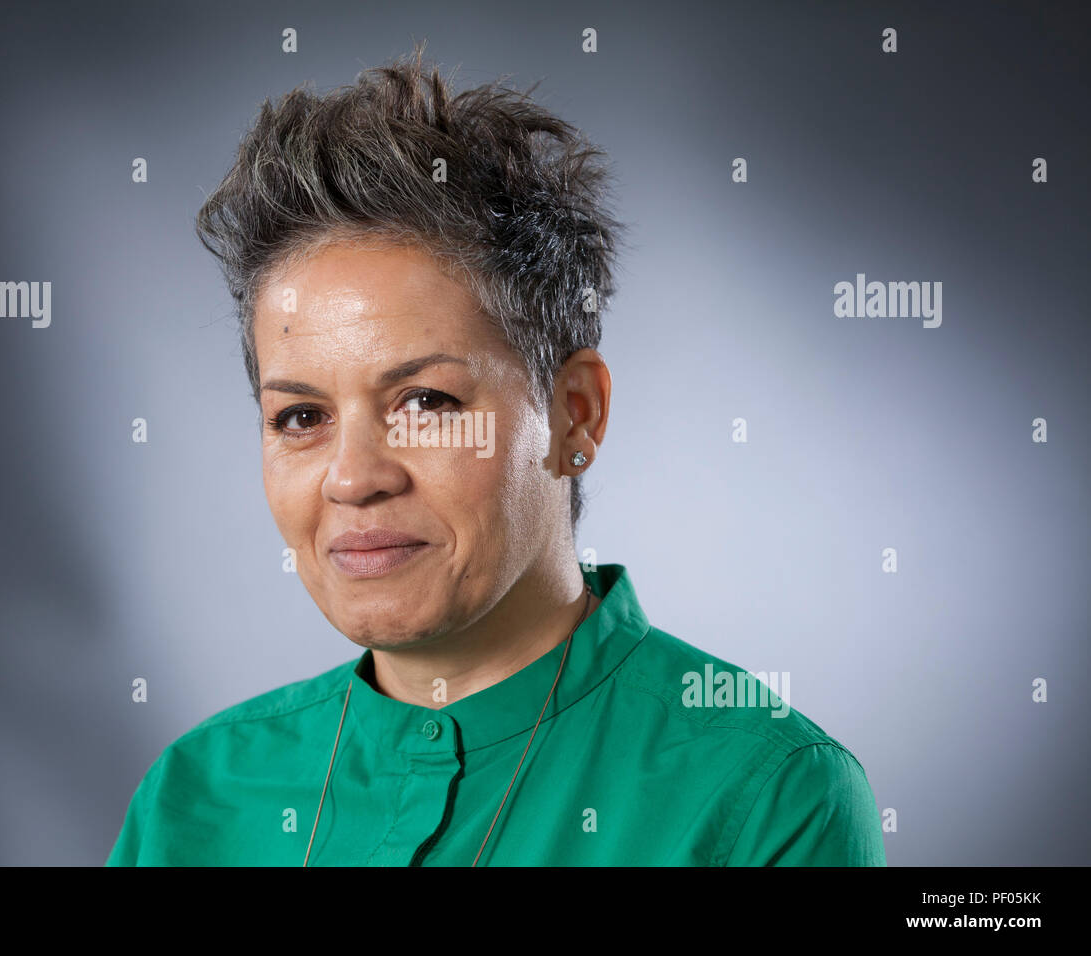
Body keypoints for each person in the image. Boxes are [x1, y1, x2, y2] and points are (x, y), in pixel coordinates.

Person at [106, 45, 885, 866]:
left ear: (574, 416)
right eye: (301, 416)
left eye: (426, 402)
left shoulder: (766, 796)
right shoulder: (193, 797)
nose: (353, 477)